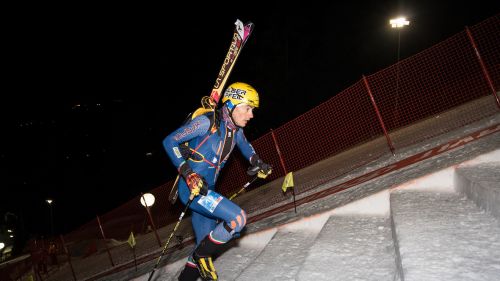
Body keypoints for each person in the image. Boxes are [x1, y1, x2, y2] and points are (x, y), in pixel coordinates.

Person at [163, 82, 272, 281]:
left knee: (205, 245)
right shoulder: (206, 123)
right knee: (238, 219)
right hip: (193, 189)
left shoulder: (235, 130)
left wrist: (258, 162)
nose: (251, 115)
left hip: (208, 190)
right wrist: (188, 174)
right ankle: (200, 256)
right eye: (247, 108)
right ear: (231, 105)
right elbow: (169, 141)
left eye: (252, 110)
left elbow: (246, 147)